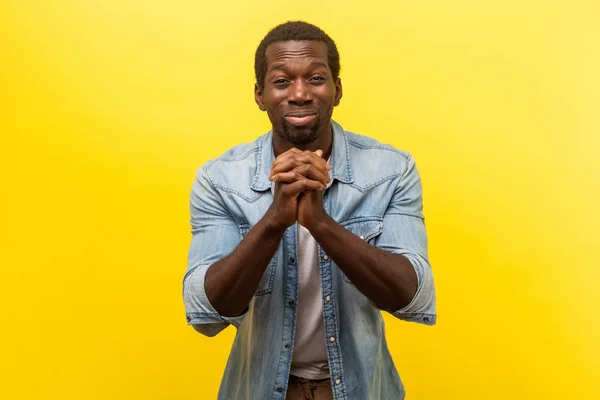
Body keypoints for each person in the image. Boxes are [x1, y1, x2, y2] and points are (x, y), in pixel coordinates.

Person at [183, 21, 436, 400]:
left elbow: (412, 295)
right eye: (282, 81)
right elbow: (207, 311)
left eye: (316, 78)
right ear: (260, 94)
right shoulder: (220, 179)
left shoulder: (391, 171)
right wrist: (275, 220)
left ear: (337, 90)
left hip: (362, 390)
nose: (300, 94)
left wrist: (319, 222)